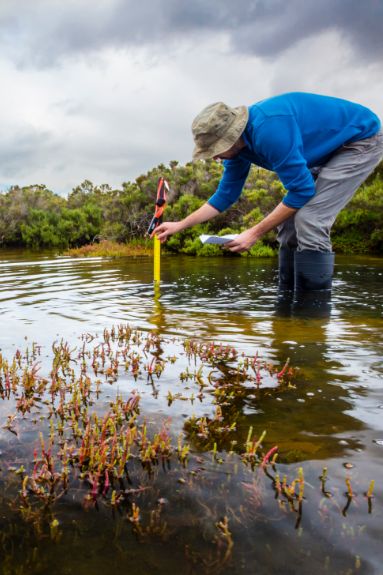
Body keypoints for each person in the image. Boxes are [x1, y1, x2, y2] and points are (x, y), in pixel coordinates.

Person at [154, 92, 383, 291]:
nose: (215, 156)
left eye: (218, 149)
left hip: (359, 141)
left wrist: (253, 234)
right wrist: (180, 225)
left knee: (310, 218)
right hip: (326, 149)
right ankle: (287, 305)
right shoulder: (237, 150)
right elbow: (226, 195)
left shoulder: (270, 131)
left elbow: (301, 191)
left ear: (233, 137)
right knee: (289, 223)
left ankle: (312, 315)